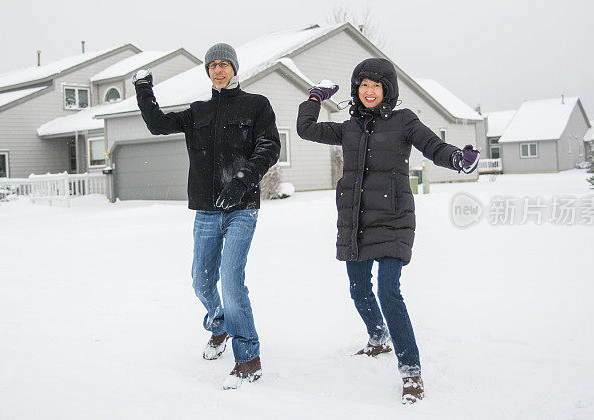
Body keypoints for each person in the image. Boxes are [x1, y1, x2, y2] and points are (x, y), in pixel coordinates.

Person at [296, 58, 479, 404]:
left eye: (376, 86)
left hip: (394, 217)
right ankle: (378, 336)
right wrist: (315, 98)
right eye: (363, 85)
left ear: (387, 90)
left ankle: (411, 371)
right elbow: (306, 129)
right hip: (357, 219)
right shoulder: (348, 127)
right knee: (358, 289)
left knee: (388, 291)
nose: (368, 91)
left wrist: (456, 158)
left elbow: (432, 146)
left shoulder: (403, 121)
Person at [133, 43, 280, 389]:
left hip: (242, 208)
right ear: (208, 71)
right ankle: (220, 325)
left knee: (230, 279)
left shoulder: (256, 105)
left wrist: (242, 181)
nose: (218, 69)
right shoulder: (197, 112)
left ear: (234, 68)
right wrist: (143, 89)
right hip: (205, 209)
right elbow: (157, 124)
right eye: (212, 65)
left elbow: (270, 146)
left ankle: (248, 358)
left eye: (224, 63)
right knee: (201, 280)